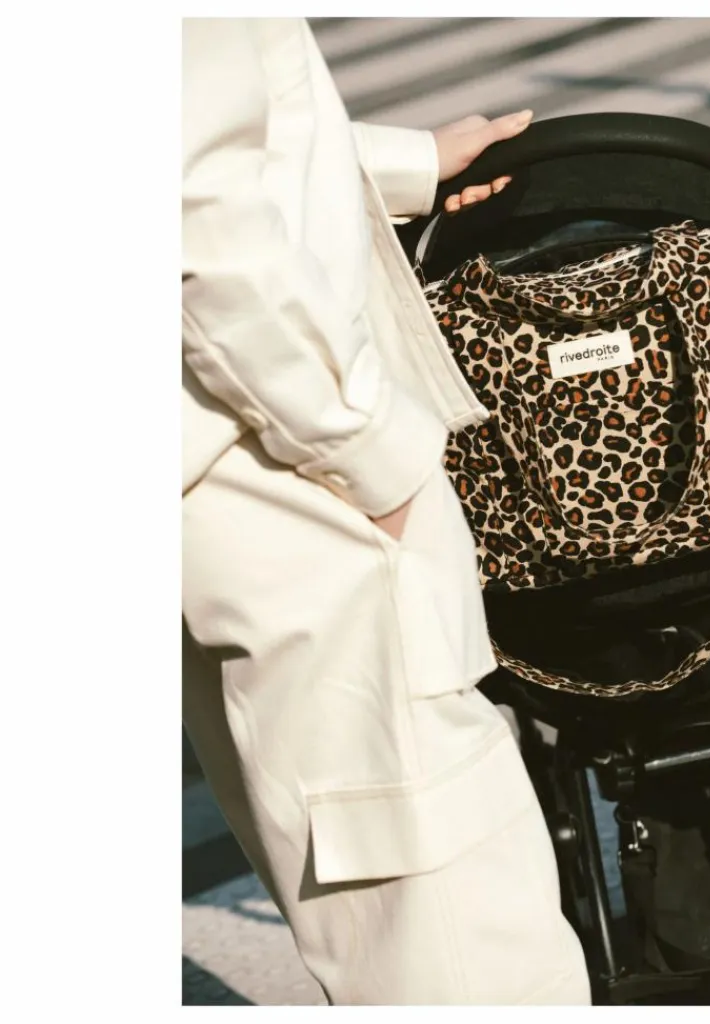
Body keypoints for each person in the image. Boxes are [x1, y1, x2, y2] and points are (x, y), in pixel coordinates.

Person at [181, 18, 590, 1006]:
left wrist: (400, 164)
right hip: (274, 462)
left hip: (224, 469)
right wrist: (370, 451)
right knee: (454, 934)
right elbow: (197, 228)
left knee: (392, 909)